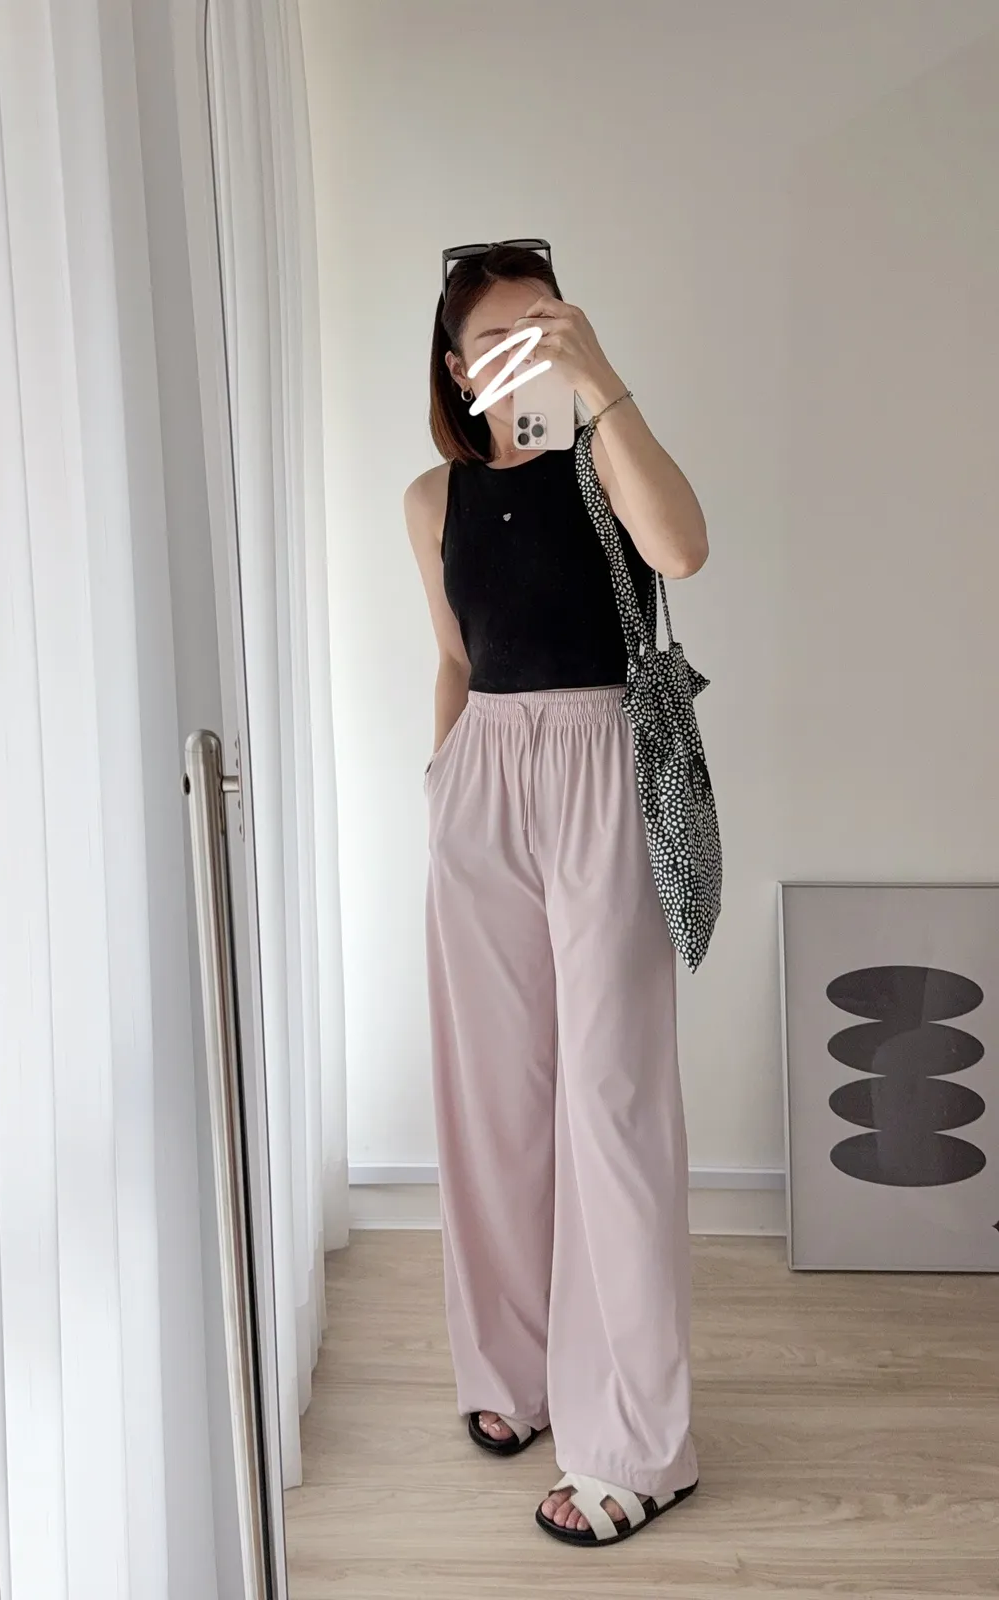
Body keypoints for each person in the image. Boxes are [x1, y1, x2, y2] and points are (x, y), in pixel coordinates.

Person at [403, 241, 709, 1548]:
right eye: (500, 336)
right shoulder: (430, 498)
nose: (525, 349)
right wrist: (443, 784)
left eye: (548, 322)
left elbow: (683, 551)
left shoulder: (607, 456)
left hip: (602, 771)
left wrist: (599, 378)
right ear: (457, 366)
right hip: (483, 782)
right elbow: (454, 655)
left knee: (610, 1100)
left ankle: (640, 1445)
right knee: (492, 1095)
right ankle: (514, 1371)